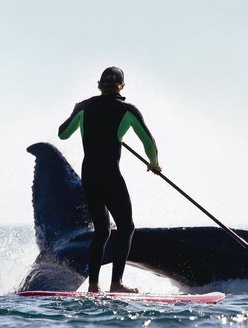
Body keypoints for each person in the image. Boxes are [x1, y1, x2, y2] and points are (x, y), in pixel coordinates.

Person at [58, 67, 161, 293]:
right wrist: (153, 163)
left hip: (89, 175)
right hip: (109, 175)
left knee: (102, 231)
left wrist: (77, 113)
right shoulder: (127, 110)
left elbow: (63, 133)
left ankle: (93, 287)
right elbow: (149, 143)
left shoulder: (84, 107)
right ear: (121, 86)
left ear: (99, 85)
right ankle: (116, 284)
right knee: (126, 227)